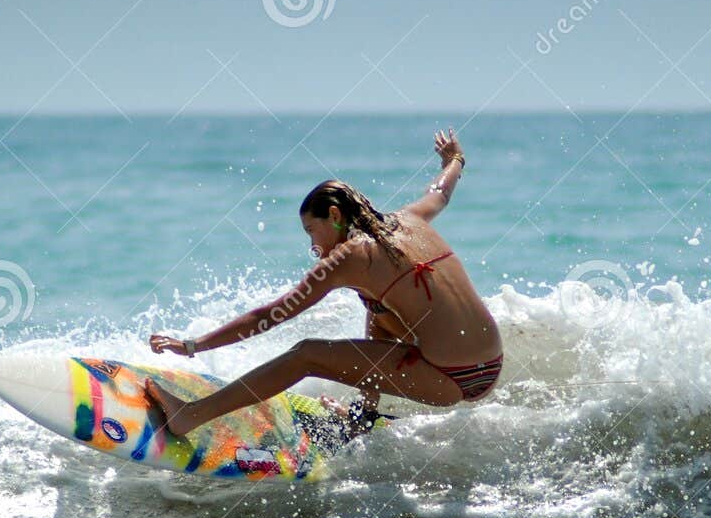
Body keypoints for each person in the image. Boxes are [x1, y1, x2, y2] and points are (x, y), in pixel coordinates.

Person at [144, 128, 501, 439]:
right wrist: (455, 160)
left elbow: (270, 314)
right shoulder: (410, 219)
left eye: (311, 231)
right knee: (377, 309)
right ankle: (363, 415)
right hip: (489, 367)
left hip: (447, 379)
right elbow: (440, 193)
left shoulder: (350, 256)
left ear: (334, 215)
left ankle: (189, 416)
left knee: (307, 354)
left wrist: (194, 345)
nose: (313, 245)